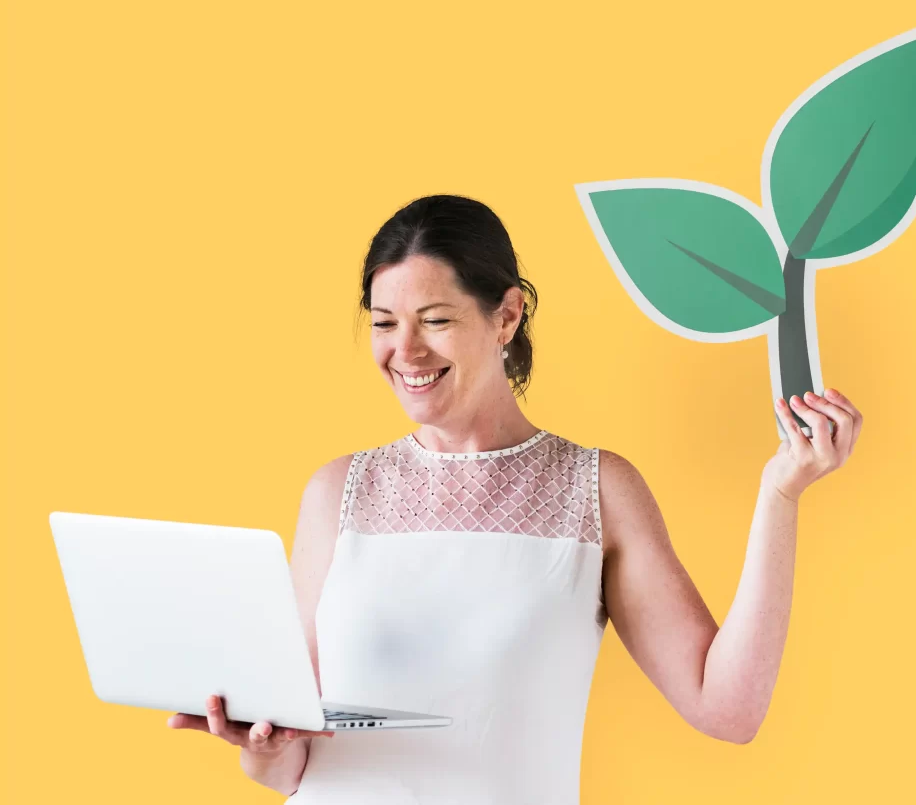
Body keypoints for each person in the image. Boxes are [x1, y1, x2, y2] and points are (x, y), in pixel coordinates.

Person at [167, 194, 863, 803]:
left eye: (433, 320)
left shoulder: (594, 489)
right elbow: (293, 765)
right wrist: (261, 748)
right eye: (383, 323)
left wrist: (781, 495)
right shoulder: (337, 493)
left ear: (505, 316)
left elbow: (728, 708)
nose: (403, 351)